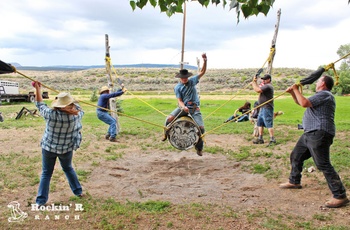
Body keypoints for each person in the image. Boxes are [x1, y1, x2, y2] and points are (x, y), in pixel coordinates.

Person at [281, 75, 349, 208]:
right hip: (310, 132)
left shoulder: (325, 94)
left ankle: (340, 196)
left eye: (318, 81)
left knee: (323, 164)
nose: (316, 82)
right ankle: (294, 181)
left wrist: (295, 89)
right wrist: (293, 93)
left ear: (323, 84)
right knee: (296, 156)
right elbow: (301, 102)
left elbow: (304, 103)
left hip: (319, 133)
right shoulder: (320, 96)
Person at [33, 81, 84, 206]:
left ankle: (41, 201)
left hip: (48, 148)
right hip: (66, 149)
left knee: (46, 173)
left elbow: (40, 104)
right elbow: (79, 108)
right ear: (70, 104)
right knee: (68, 168)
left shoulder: (50, 115)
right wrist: (71, 101)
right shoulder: (77, 116)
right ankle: (78, 192)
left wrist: (38, 89)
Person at [163, 53, 207, 156]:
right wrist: (183, 107)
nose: (184, 79)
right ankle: (165, 134)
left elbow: (203, 72)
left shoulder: (192, 81)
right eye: (183, 78)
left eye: (186, 77)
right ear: (180, 78)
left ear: (187, 77)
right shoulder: (177, 87)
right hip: (183, 108)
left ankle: (199, 148)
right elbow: (179, 100)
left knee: (201, 128)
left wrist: (205, 61)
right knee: (168, 119)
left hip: (195, 109)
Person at [251, 73, 276, 146]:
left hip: (267, 108)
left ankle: (272, 139)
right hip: (262, 107)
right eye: (263, 79)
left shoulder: (268, 86)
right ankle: (260, 138)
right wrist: (255, 82)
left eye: (265, 79)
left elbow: (258, 90)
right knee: (260, 123)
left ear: (269, 80)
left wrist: (253, 83)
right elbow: (259, 88)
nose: (263, 81)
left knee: (268, 123)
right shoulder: (265, 86)